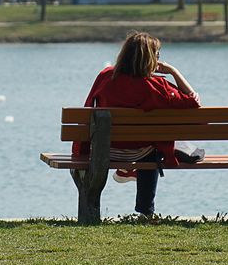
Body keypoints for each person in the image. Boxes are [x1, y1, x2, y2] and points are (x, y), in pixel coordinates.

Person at [75, 31, 200, 219]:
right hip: (141, 152)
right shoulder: (156, 86)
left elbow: (87, 109)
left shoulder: (105, 76)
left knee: (146, 143)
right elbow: (194, 103)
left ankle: (124, 173)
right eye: (157, 55)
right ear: (150, 59)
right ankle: (146, 211)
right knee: (154, 147)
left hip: (105, 148)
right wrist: (173, 71)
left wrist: (81, 149)